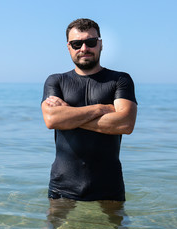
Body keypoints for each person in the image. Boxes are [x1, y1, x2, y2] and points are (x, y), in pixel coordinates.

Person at [41, 18, 137, 202]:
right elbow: (52, 120)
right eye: (77, 43)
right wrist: (102, 108)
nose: (84, 48)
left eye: (90, 42)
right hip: (62, 185)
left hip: (109, 185)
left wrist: (69, 115)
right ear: (69, 47)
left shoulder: (120, 80)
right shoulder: (56, 81)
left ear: (100, 44)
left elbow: (125, 123)